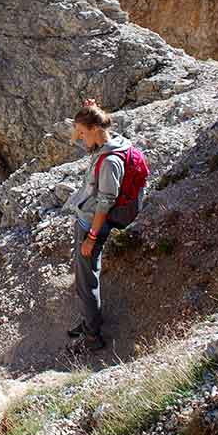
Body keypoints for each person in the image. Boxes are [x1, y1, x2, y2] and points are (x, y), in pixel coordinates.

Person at [66, 99, 131, 351]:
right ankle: (88, 322)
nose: (80, 138)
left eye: (83, 133)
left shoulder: (110, 161)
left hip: (91, 226)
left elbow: (105, 203)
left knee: (86, 281)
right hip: (88, 220)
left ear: (95, 129)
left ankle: (92, 337)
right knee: (84, 278)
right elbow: (81, 137)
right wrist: (90, 111)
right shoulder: (108, 144)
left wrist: (91, 237)